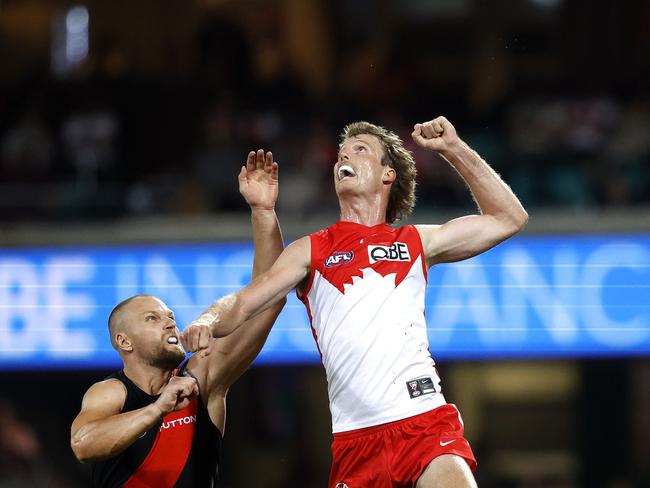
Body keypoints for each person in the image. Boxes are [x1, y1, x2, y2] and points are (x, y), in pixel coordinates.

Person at [187, 116, 528, 487]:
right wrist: (206, 321)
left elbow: (508, 218)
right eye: (340, 154)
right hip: (355, 444)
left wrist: (454, 149)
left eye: (359, 150)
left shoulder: (415, 242)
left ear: (387, 175)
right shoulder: (311, 250)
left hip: (425, 425)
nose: (342, 159)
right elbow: (244, 303)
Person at [70, 150, 285, 487]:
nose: (169, 322)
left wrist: (263, 210)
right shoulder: (111, 393)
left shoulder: (202, 377)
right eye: (152, 319)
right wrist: (158, 410)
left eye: (170, 316)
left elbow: (270, 297)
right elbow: (83, 445)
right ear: (122, 341)